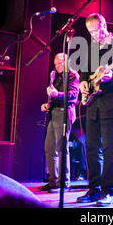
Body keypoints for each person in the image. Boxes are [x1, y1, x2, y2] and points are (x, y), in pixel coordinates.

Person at [76, 13, 113, 207]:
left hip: (112, 104)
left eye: (96, 30)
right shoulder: (91, 49)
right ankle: (93, 190)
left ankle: (109, 191)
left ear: (104, 25)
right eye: (90, 32)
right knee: (92, 148)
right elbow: (84, 71)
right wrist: (83, 82)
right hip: (92, 104)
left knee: (110, 149)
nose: (94, 35)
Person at [39, 52, 80, 191]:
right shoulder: (57, 77)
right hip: (54, 113)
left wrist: (58, 94)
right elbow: (54, 96)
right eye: (55, 64)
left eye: (60, 63)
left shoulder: (73, 75)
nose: (57, 66)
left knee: (61, 149)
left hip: (64, 113)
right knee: (49, 148)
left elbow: (73, 96)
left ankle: (64, 182)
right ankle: (53, 181)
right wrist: (47, 104)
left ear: (67, 62)